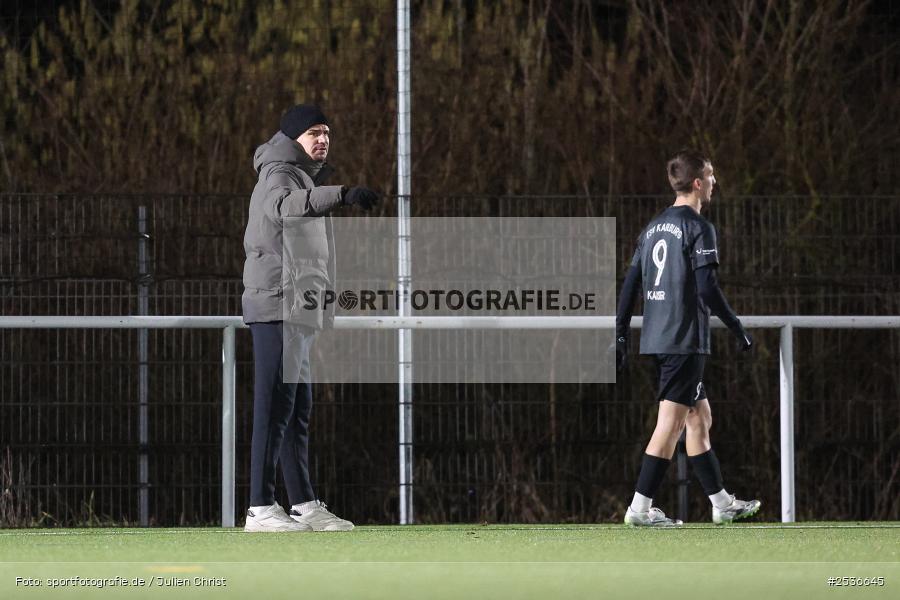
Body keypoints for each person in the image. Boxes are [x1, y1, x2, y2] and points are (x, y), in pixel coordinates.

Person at [241, 104, 379, 532]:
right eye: (313, 133)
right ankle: (260, 508)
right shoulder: (279, 175)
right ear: (292, 138)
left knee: (295, 408)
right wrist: (341, 193)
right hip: (277, 308)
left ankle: (302, 503)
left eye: (326, 133)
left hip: (297, 310)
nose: (322, 139)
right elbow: (285, 207)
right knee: (274, 406)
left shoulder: (298, 175)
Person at [615, 149, 761, 527]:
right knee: (671, 424)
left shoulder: (651, 228)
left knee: (699, 417)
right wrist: (737, 326)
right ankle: (639, 509)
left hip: (659, 339)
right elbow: (708, 289)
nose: (714, 183)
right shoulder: (699, 228)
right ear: (697, 183)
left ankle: (722, 504)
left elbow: (630, 286)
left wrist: (620, 336)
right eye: (711, 176)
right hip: (684, 341)